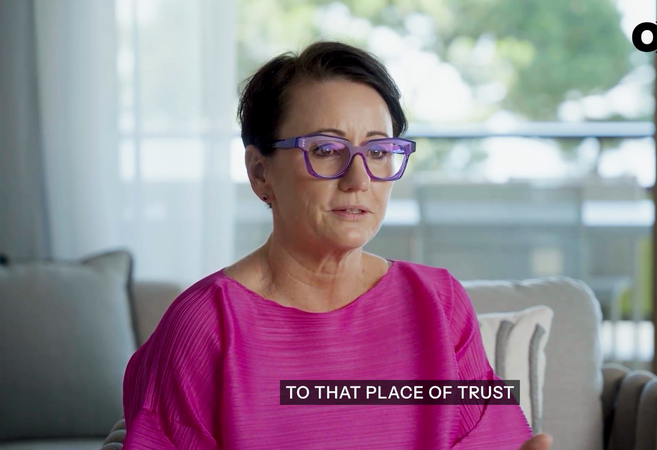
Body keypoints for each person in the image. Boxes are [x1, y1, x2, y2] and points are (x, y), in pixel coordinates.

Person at [121, 41, 552, 450]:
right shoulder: (206, 325)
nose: (359, 179)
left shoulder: (440, 303)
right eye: (327, 149)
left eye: (378, 151)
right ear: (260, 172)